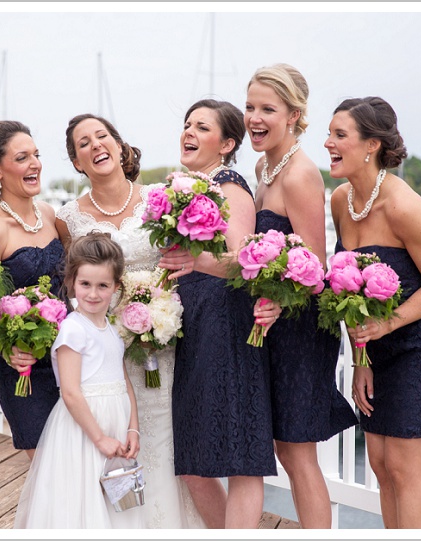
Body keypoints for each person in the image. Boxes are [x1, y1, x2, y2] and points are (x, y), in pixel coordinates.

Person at [55, 113, 205, 529]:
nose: (95, 145)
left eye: (102, 136)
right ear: (76, 162)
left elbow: (188, 258)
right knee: (122, 444)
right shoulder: (68, 218)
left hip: (170, 343)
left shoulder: (160, 197)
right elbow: (80, 286)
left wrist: (160, 313)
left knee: (169, 443)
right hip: (110, 356)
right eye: (83, 143)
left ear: (120, 147)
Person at [325, 96, 421, 528]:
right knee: (382, 466)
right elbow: (348, 289)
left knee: (405, 468)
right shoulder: (341, 200)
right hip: (378, 351)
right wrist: (361, 359)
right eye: (329, 133)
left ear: (371, 145)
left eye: (339, 135)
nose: (328, 142)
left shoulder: (403, 206)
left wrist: (387, 323)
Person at [245, 64, 358, 528]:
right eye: (250, 106)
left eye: (267, 108)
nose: (254, 116)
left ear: (293, 115)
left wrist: (277, 299)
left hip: (299, 328)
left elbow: (313, 266)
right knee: (281, 447)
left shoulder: (301, 174)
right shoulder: (263, 166)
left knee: (297, 451)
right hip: (270, 323)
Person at [164, 99, 279, 528]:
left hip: (227, 324)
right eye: (187, 124)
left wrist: (195, 261)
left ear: (228, 143)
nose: (189, 132)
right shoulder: (185, 185)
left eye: (202, 127)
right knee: (193, 460)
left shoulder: (229, 185)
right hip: (193, 323)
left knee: (240, 455)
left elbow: (244, 262)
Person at [14, 232, 144, 528]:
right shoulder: (73, 329)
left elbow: (124, 382)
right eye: (85, 284)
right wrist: (99, 437)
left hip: (115, 425)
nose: (93, 294)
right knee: (82, 501)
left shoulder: (110, 328)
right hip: (84, 430)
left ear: (116, 287)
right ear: (72, 283)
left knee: (115, 502)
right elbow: (71, 392)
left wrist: (132, 428)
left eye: (103, 286)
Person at [0, 120, 64, 460]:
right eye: (22, 157)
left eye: (36, 155)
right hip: (22, 363)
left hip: (65, 358)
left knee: (75, 463)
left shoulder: (51, 215)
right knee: (46, 467)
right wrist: (9, 349)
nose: (35, 164)